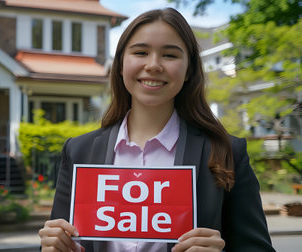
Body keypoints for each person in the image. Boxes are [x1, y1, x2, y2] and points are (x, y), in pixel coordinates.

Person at [38, 8, 275, 252]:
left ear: (189, 70)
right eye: (141, 52)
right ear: (119, 65)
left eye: (169, 55)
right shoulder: (79, 151)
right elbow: (64, 242)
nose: (153, 65)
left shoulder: (227, 152)